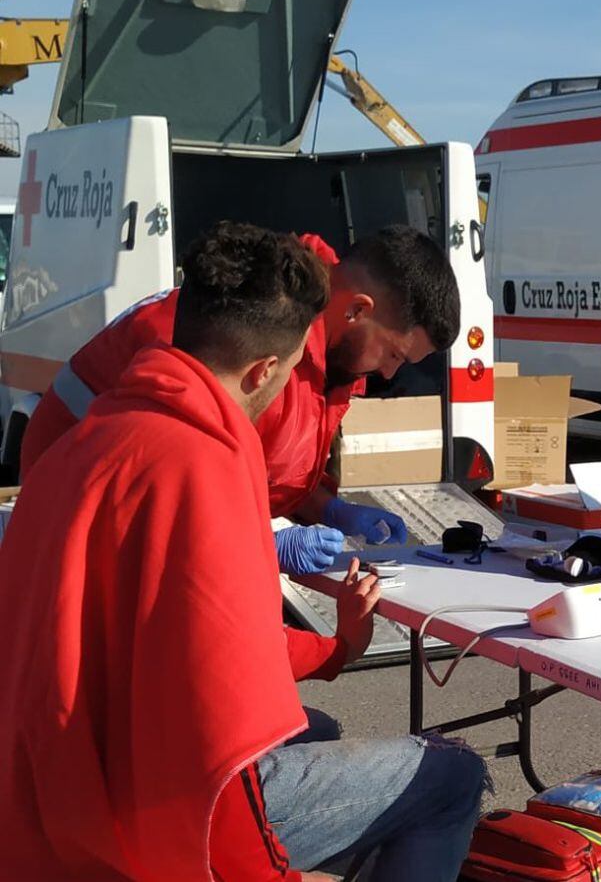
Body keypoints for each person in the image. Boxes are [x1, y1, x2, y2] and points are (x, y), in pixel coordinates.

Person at [0, 222, 486, 882]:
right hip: (140, 816)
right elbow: (230, 678)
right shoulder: (205, 466)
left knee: (315, 731)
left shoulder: (78, 451)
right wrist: (341, 643)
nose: (388, 372)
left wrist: (307, 519)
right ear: (265, 369)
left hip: (41, 792)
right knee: (451, 774)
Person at [20, 224, 462, 576]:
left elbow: (269, 468)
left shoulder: (332, 361)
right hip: (80, 534)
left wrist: (329, 509)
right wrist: (259, 548)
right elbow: (159, 494)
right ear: (358, 311)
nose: (389, 373)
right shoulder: (237, 329)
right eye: (394, 354)